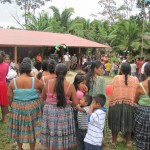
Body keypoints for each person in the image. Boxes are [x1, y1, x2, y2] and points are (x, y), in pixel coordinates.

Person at [7, 58, 43, 150]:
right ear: (30, 70)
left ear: (19, 70)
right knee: (32, 129)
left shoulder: (13, 82)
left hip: (17, 107)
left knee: (19, 128)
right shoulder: (35, 80)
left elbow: (9, 98)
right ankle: (32, 148)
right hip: (32, 108)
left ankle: (20, 148)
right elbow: (43, 91)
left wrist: (13, 106)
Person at [40, 63, 78, 150]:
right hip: (64, 112)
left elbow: (43, 97)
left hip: (49, 112)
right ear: (66, 73)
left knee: (52, 132)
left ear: (55, 72)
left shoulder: (48, 83)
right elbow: (75, 103)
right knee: (63, 133)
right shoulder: (70, 86)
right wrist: (68, 103)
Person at [108, 62, 139, 147]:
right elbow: (137, 93)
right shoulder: (135, 79)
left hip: (116, 103)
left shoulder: (116, 78)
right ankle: (128, 142)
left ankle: (114, 141)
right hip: (130, 104)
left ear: (121, 70)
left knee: (115, 122)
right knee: (129, 122)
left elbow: (111, 91)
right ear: (130, 70)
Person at [134, 62, 150, 150]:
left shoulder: (140, 85)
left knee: (140, 133)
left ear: (144, 72)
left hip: (141, 113)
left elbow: (135, 100)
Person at [0, 51, 9, 123]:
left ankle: (3, 119)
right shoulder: (6, 65)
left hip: (3, 85)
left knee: (3, 103)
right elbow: (6, 74)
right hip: (3, 85)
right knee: (3, 103)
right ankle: (4, 119)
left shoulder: (6, 65)